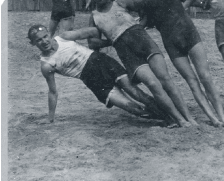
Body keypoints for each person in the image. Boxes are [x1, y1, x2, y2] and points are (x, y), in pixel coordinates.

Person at [131, 0, 224, 127]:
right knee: (191, 81)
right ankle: (212, 118)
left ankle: (222, 117)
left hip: (189, 33)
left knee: (205, 76)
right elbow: (146, 19)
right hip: (171, 43)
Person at [89, 0, 197, 128]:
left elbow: (145, 8)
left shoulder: (121, 3)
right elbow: (92, 42)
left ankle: (189, 117)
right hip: (126, 51)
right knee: (153, 84)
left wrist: (141, 25)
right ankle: (179, 119)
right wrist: (113, 38)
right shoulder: (94, 17)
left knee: (165, 79)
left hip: (143, 41)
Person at [29, 24, 166, 123]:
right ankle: (161, 118)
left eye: (45, 36)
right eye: (39, 40)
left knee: (136, 93)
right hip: (91, 79)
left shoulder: (64, 38)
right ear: (33, 44)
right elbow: (52, 92)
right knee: (131, 107)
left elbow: (93, 31)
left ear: (49, 33)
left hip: (102, 62)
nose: (44, 41)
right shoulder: (46, 64)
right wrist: (50, 119)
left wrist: (104, 44)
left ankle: (170, 116)